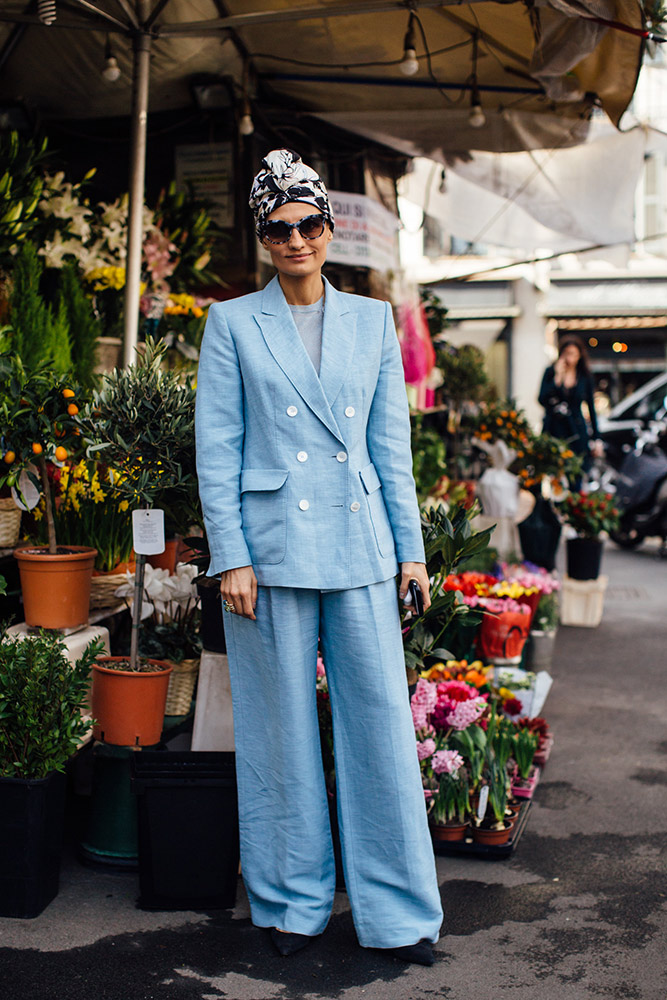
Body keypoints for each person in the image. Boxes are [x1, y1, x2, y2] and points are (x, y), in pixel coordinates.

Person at [195, 150, 443, 965]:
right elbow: (218, 449)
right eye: (279, 227)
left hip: (361, 547)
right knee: (278, 738)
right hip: (266, 558)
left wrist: (411, 553)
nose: (296, 238)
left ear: (329, 229)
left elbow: (390, 450)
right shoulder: (231, 323)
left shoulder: (373, 322)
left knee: (376, 729)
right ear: (264, 237)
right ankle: (289, 906)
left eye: (308, 222)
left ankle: (400, 914)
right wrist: (229, 555)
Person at [538, 335, 602, 478]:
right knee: (554, 474)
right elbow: (542, 399)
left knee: (577, 472)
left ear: (579, 356)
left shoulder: (584, 377)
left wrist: (596, 438)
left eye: (573, 354)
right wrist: (557, 378)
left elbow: (591, 408)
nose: (570, 358)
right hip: (554, 429)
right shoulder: (550, 372)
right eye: (567, 354)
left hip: (576, 430)